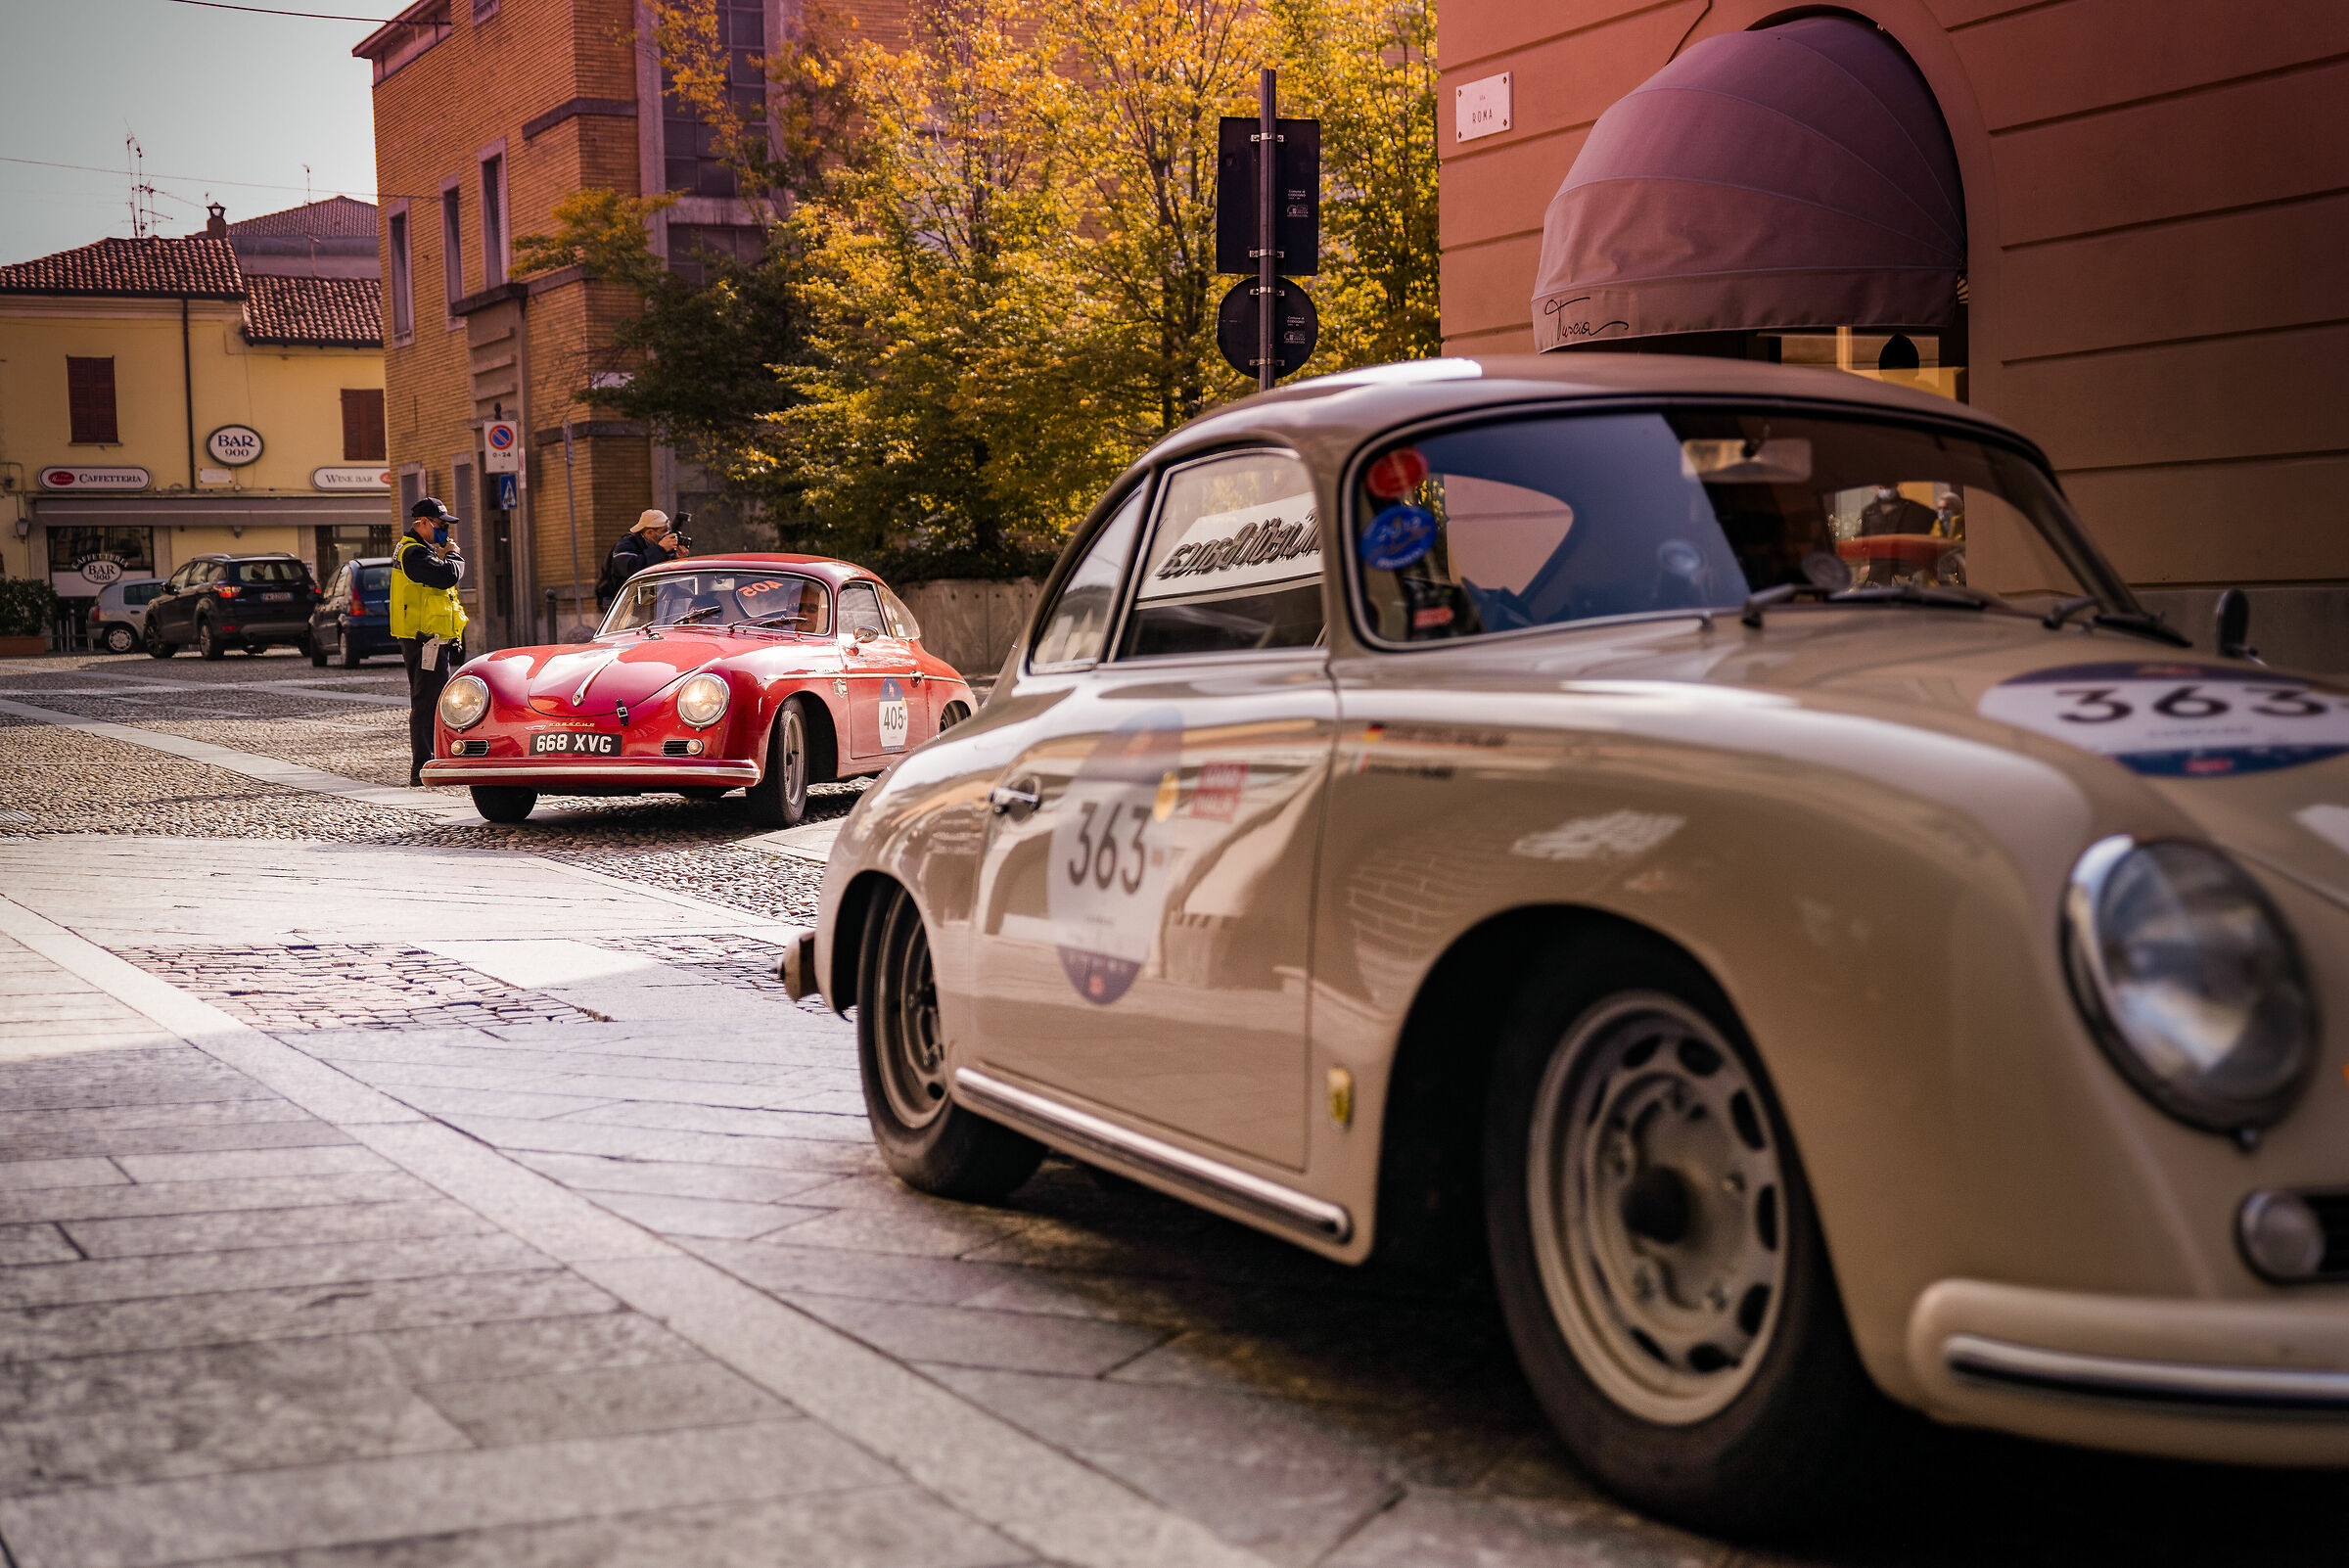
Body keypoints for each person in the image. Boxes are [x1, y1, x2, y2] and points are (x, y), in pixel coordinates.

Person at [393, 498, 470, 788]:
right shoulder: (413, 553)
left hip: (429, 636)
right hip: (424, 638)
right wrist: (454, 556)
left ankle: (432, 758)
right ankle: (422, 765)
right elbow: (445, 577)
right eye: (440, 525)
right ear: (422, 522)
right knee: (426, 701)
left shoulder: (419, 549)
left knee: (433, 699)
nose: (445, 532)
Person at [595, 509, 690, 611]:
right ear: (649, 533)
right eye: (664, 531)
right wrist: (660, 549)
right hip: (619, 605)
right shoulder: (625, 546)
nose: (667, 534)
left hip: (647, 602)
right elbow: (632, 569)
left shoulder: (657, 548)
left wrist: (677, 559)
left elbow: (661, 573)